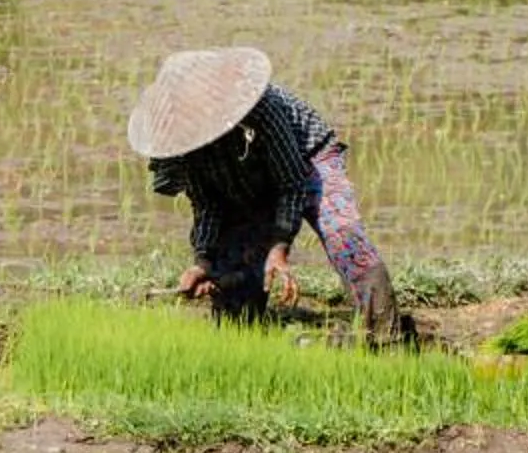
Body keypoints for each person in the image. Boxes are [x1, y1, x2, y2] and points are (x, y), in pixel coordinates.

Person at [128, 47, 402, 342]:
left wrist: (279, 247)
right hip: (246, 179)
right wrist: (202, 262)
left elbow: (293, 183)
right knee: (235, 304)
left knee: (342, 233)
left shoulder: (260, 109)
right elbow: (207, 204)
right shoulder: (181, 143)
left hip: (308, 159)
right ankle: (242, 334)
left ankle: (385, 334)